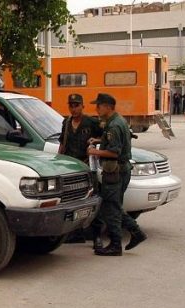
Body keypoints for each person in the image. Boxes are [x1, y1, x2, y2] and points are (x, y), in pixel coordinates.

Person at [86, 93, 147, 256]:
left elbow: (114, 152)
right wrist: (99, 141)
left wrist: (94, 151)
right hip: (121, 170)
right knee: (114, 206)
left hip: (115, 171)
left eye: (98, 106)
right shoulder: (117, 121)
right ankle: (135, 233)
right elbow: (117, 142)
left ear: (107, 106)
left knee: (111, 207)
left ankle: (117, 244)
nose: (96, 109)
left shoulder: (113, 125)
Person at [59, 94, 102, 243]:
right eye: (71, 105)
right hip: (70, 168)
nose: (73, 108)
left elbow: (105, 138)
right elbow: (62, 144)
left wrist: (96, 140)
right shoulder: (66, 122)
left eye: (76, 105)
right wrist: (58, 161)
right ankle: (76, 234)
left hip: (86, 167)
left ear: (83, 106)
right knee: (73, 201)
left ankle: (96, 236)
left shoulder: (91, 122)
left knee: (92, 200)